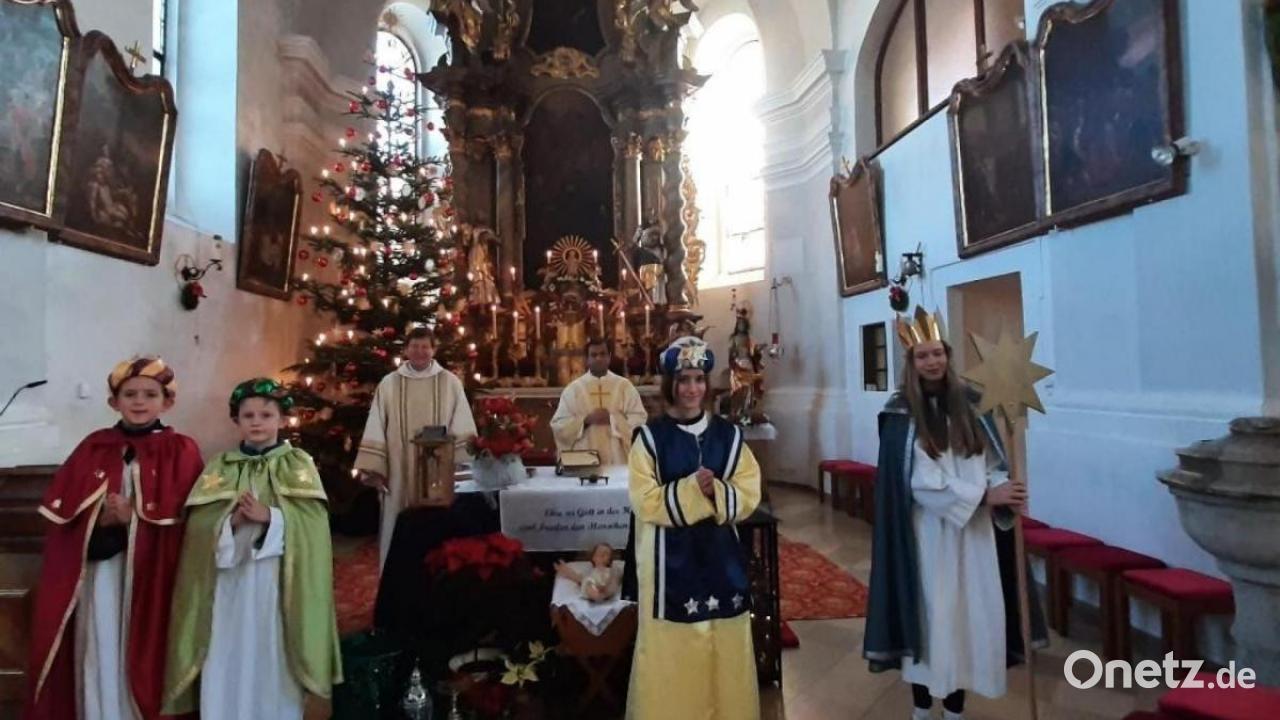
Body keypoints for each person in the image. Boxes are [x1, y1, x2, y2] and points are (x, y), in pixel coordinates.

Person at [862, 307, 1047, 720]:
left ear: (948, 355)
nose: (932, 361)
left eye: (938, 353)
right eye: (923, 355)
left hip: (975, 536)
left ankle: (958, 708)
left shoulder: (973, 403)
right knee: (933, 618)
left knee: (969, 619)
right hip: (928, 536)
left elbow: (993, 460)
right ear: (912, 362)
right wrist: (985, 496)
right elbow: (920, 483)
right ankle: (924, 708)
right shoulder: (900, 413)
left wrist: (1004, 484)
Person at [24, 357, 203, 720]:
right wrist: (97, 520)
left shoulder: (182, 451)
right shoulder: (93, 447)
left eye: (150, 394)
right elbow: (64, 520)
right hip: (101, 575)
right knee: (100, 644)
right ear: (113, 402)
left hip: (150, 579)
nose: (139, 402)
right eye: (130, 394)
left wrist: (133, 517)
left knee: (140, 651)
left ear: (167, 402)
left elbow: (192, 523)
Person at [163, 378, 342, 720]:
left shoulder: (298, 464)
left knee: (272, 653)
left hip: (276, 586)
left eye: (266, 414)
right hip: (229, 586)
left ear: (282, 419)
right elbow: (198, 531)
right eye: (248, 416)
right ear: (237, 420)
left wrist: (271, 518)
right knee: (226, 651)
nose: (257, 422)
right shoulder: (220, 467)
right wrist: (227, 524)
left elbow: (314, 531)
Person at [623, 336, 762, 720]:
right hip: (668, 566)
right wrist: (691, 491)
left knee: (724, 644)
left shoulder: (729, 437)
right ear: (671, 384)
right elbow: (643, 500)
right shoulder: (649, 439)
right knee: (672, 649)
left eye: (699, 379)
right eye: (683, 379)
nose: (692, 388)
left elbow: (749, 492)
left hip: (721, 560)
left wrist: (714, 491)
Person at [354, 327, 477, 568]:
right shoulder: (389, 384)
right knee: (397, 525)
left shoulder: (450, 382)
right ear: (406, 349)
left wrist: (461, 462)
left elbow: (461, 422)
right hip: (399, 468)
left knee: (438, 526)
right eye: (415, 346)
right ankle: (396, 581)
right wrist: (377, 468)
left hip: (438, 472)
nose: (420, 351)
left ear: (433, 349)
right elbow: (376, 423)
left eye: (425, 347)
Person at [550, 339, 648, 466]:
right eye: (594, 355)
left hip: (618, 459)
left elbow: (639, 419)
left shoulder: (624, 386)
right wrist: (585, 421)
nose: (598, 358)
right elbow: (559, 425)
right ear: (587, 359)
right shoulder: (574, 389)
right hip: (584, 459)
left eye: (603, 354)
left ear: (609, 357)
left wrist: (612, 420)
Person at [554, 543, 620, 602]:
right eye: (599, 552)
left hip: (607, 584)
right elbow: (576, 577)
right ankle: (596, 594)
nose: (602, 554)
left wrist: (610, 580)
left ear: (609, 560)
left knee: (613, 579)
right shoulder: (590, 572)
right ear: (593, 558)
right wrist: (565, 569)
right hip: (592, 585)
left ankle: (603, 593)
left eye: (606, 553)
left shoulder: (611, 570)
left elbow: (617, 578)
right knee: (587, 581)